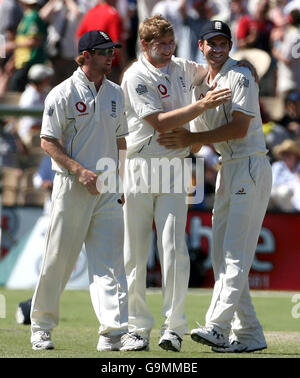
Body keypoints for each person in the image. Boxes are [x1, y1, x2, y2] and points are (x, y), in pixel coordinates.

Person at [158, 20, 272, 353]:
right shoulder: (199, 85)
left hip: (250, 164)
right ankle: (249, 334)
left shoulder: (240, 76)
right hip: (227, 168)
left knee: (234, 255)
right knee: (223, 258)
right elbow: (193, 144)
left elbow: (239, 128)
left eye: (223, 42)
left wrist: (193, 137)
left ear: (230, 46)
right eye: (212, 43)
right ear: (203, 47)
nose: (217, 48)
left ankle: (218, 326)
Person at [30, 30, 147, 352]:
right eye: (103, 51)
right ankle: (41, 326)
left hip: (108, 188)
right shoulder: (62, 93)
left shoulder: (115, 93)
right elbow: (47, 141)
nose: (111, 55)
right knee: (59, 260)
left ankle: (112, 331)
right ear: (85, 56)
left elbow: (121, 139)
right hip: (72, 187)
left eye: (112, 50)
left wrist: (121, 179)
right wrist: (79, 171)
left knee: (110, 263)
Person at [121, 15, 233, 352]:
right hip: (141, 165)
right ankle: (137, 328)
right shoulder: (136, 76)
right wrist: (200, 108)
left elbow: (214, 69)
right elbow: (157, 121)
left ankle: (174, 327)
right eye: (161, 45)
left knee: (174, 248)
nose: (168, 49)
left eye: (171, 43)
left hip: (174, 167)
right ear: (145, 45)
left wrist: (245, 67)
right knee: (136, 252)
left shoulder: (182, 66)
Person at [76, 0, 126, 84]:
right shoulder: (112, 13)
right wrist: (124, 67)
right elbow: (117, 43)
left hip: (91, 66)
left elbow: (79, 37)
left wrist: (84, 61)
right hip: (110, 69)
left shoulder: (90, 12)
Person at [5, 0, 47, 92]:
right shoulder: (27, 16)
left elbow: (36, 41)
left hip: (30, 61)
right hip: (22, 62)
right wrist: (13, 60)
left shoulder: (33, 17)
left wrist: (11, 45)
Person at [18, 64, 54, 146]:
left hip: (41, 133)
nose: (49, 80)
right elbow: (32, 126)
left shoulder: (43, 93)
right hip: (31, 135)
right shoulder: (29, 97)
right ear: (44, 80)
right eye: (47, 78)